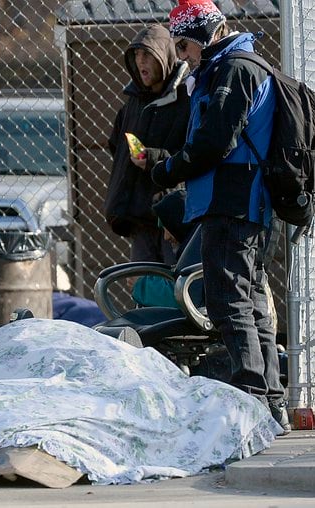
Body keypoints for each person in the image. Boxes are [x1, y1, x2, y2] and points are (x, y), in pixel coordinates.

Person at [151, 0, 290, 434]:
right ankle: (271, 403)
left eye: (185, 45)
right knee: (250, 302)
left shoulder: (235, 69)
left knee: (229, 302)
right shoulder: (234, 66)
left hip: (233, 201)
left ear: (207, 34)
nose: (183, 55)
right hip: (244, 202)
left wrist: (168, 168)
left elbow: (215, 142)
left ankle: (251, 401)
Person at [105, 24, 191, 263]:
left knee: (175, 279)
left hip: (173, 215)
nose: (140, 61)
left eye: (147, 54)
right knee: (143, 281)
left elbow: (193, 156)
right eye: (136, 54)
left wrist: (153, 159)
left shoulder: (187, 99)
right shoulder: (133, 102)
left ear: (164, 57)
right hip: (139, 217)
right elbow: (116, 145)